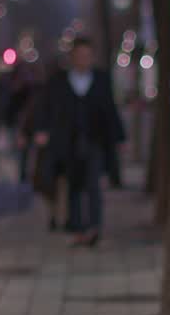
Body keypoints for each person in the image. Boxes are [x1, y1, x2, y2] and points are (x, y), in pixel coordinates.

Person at [34, 37, 125, 247]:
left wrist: (119, 137)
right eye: (79, 56)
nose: (83, 60)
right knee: (73, 184)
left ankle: (94, 227)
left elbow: (110, 109)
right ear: (72, 58)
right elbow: (47, 107)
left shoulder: (101, 79)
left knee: (94, 184)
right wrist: (43, 131)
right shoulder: (59, 81)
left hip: (94, 140)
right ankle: (76, 227)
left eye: (87, 56)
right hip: (67, 142)